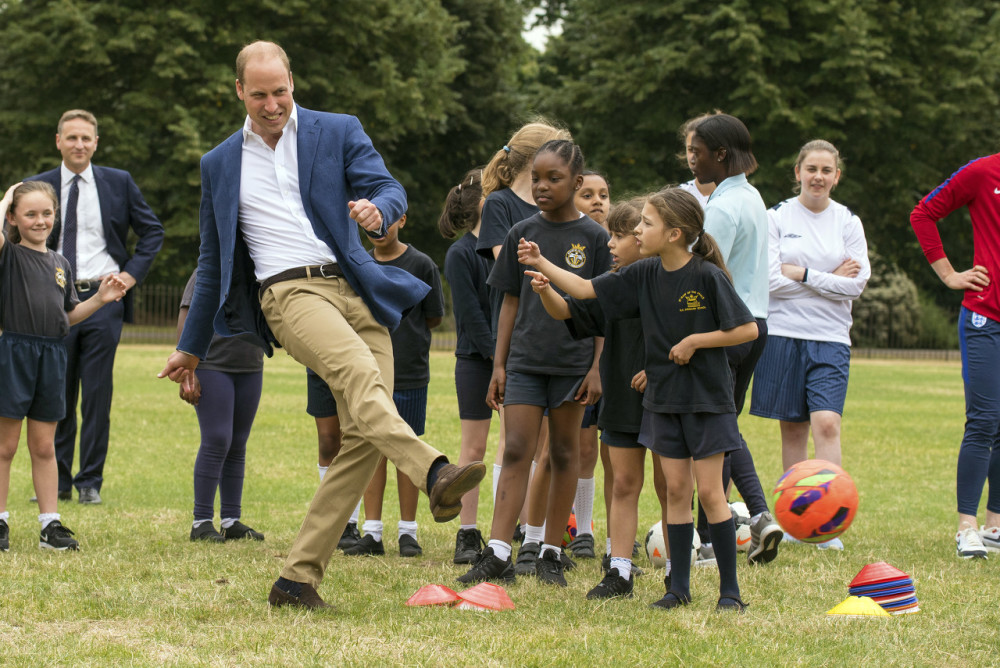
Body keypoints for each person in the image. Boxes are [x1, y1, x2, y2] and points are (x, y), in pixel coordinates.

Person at [158, 40, 485, 609]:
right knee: (359, 375)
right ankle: (433, 469)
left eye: (280, 91)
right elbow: (212, 263)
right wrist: (191, 347)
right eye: (258, 94)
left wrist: (377, 211)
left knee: (363, 433)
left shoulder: (336, 130)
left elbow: (389, 188)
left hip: (357, 286)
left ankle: (296, 579)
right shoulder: (219, 163)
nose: (271, 104)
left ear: (292, 83)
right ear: (239, 92)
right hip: (288, 291)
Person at [520, 187, 758, 611]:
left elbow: (748, 330)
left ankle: (730, 594)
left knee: (709, 494)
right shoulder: (642, 274)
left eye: (647, 223)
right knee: (676, 493)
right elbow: (583, 288)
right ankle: (678, 589)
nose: (638, 230)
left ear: (674, 233)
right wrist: (541, 263)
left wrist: (695, 342)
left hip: (706, 401)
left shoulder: (707, 276)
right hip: (663, 402)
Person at [457, 139, 610, 587]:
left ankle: (550, 551)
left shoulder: (595, 238)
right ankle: (499, 551)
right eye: (537, 179)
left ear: (576, 182)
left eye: (554, 179)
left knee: (563, 453)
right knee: (518, 449)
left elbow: (602, 309)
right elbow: (507, 301)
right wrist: (500, 364)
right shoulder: (521, 231)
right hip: (523, 363)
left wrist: (597, 366)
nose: (542, 187)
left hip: (573, 366)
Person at [26, 109, 163, 505]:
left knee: (97, 393)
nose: (79, 145)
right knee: (56, 392)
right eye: (71, 138)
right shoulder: (40, 185)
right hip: (53, 300)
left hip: (104, 299)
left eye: (86, 138)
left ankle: (90, 482)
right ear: (58, 141)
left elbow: (152, 231)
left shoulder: (118, 182)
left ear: (96, 143)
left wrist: (130, 277)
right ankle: (59, 481)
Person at [750, 140, 870, 550]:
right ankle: (798, 521)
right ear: (797, 172)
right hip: (783, 335)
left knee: (827, 423)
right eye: (811, 168)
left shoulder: (848, 222)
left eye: (827, 170)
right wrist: (827, 278)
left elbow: (856, 284)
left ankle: (827, 523)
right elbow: (768, 282)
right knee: (794, 429)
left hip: (831, 338)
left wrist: (801, 273)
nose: (818, 176)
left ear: (837, 176)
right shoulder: (776, 216)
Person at [529, 199, 651, 598]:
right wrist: (546, 291)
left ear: (643, 238)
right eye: (611, 234)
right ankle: (620, 569)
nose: (610, 243)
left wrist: (542, 261)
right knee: (624, 483)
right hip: (620, 399)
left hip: (666, 402)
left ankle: (678, 572)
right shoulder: (616, 282)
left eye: (618, 236)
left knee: (672, 487)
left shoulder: (664, 280)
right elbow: (570, 310)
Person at [0, 182, 127, 551]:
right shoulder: (9, 255)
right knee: (5, 446)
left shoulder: (61, 263)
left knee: (44, 447)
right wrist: (7, 197)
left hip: (52, 355)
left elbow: (66, 316)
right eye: (30, 214)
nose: (40, 221)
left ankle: (49, 525)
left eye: (47, 213)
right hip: (14, 353)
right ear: (13, 218)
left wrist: (101, 299)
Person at [687, 113, 784, 565]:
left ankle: (756, 516)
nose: (692, 161)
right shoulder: (752, 197)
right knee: (722, 428)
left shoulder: (722, 208)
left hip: (726, 329)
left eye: (696, 152)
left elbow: (703, 273)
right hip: (757, 325)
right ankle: (715, 531)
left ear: (720, 154)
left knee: (719, 429)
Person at [476, 121, 572, 512]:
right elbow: (511, 266)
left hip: (561, 335)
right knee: (515, 440)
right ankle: (510, 523)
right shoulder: (500, 204)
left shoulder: (560, 206)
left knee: (551, 444)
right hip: (520, 334)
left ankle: (538, 527)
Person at [910, 150, 1000, 559]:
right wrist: (948, 273)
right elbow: (923, 214)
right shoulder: (984, 171)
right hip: (985, 317)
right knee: (983, 420)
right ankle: (967, 528)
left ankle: (995, 525)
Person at [345, 213, 445, 558]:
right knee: (375, 449)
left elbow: (433, 317)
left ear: (402, 219)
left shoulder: (422, 264)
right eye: (369, 224)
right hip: (369, 373)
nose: (376, 230)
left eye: (385, 221)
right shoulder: (357, 263)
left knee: (408, 449)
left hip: (410, 372)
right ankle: (372, 532)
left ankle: (408, 532)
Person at [177, 268, 265, 543]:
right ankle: (201, 521)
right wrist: (186, 369)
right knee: (217, 439)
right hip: (212, 364)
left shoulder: (262, 269)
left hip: (250, 364)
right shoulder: (209, 269)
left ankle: (231, 520)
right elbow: (186, 316)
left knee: (238, 442)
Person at [440, 169, 494, 565]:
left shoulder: (507, 250)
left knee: (519, 449)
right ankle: (468, 533)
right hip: (477, 362)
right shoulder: (461, 254)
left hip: (514, 363)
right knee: (473, 450)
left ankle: (523, 533)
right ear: (482, 205)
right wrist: (499, 360)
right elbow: (472, 318)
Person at [304, 370, 361, 551]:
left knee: (351, 439)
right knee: (328, 441)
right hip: (319, 366)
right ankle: (329, 523)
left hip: (351, 367)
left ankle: (349, 524)